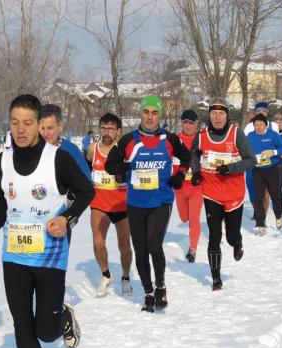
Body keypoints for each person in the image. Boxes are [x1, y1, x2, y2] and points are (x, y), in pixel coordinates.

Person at [0, 94, 94, 348]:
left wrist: (66, 218)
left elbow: (86, 191)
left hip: (50, 255)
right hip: (14, 255)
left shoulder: (57, 158)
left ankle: (62, 318)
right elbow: (3, 202)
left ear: (37, 124)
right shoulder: (2, 160)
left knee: (45, 331)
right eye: (14, 122)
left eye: (27, 122)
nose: (20, 129)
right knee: (21, 321)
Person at [106, 95, 191, 311]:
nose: (150, 117)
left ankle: (160, 285)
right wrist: (121, 169)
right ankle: (148, 293)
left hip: (161, 201)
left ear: (159, 115)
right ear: (141, 114)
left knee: (154, 245)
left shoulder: (170, 139)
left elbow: (187, 157)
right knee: (141, 249)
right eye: (146, 112)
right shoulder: (128, 140)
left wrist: (180, 175)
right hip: (136, 203)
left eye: (154, 112)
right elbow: (110, 164)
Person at [190, 97, 255, 290]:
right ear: (209, 115)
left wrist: (231, 168)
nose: (217, 117)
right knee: (215, 235)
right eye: (213, 113)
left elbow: (251, 161)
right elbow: (194, 154)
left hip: (234, 194)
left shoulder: (237, 134)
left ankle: (237, 242)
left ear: (227, 115)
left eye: (221, 113)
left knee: (230, 236)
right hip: (211, 193)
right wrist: (195, 172)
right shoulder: (202, 135)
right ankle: (216, 278)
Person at [86, 113, 133, 297]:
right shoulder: (92, 149)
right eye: (104, 128)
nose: (106, 132)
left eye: (111, 129)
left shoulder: (125, 151)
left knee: (125, 246)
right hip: (99, 204)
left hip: (122, 205)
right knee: (98, 241)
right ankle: (106, 275)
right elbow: (85, 168)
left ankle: (126, 276)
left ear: (118, 131)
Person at [247, 113, 282, 235]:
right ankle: (260, 223)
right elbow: (244, 149)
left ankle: (278, 215)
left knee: (275, 195)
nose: (258, 127)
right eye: (256, 124)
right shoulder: (250, 136)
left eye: (261, 124)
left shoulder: (272, 135)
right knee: (258, 196)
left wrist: (273, 152)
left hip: (271, 169)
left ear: (266, 125)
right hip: (257, 170)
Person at [175, 109, 203, 262]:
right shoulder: (175, 139)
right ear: (181, 123)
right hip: (179, 188)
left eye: (191, 123)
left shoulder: (201, 139)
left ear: (196, 124)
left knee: (194, 218)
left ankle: (192, 249)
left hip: (196, 187)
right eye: (185, 122)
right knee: (184, 218)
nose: (188, 126)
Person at [39, 104, 91, 180]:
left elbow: (86, 181)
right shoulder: (31, 149)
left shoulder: (71, 150)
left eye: (50, 128)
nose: (45, 133)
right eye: (42, 128)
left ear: (60, 127)